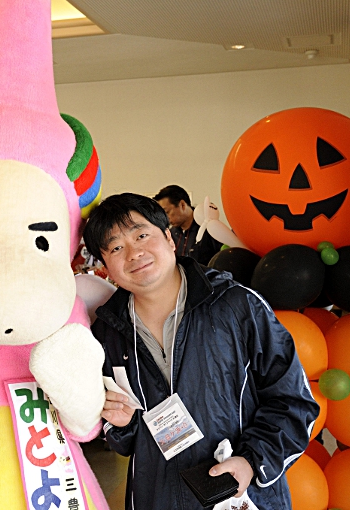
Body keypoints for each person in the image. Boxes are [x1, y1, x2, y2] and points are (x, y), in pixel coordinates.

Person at [83, 193, 318, 509]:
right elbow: (125, 439)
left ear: (169, 238)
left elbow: (293, 401)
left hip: (240, 496)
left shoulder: (236, 306)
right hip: (158, 498)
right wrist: (123, 425)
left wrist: (251, 461)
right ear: (106, 265)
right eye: (115, 248)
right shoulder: (106, 333)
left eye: (141, 235)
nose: (134, 253)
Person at [154, 185, 223, 266]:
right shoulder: (170, 234)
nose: (165, 218)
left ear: (182, 205)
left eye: (167, 212)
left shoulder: (209, 229)